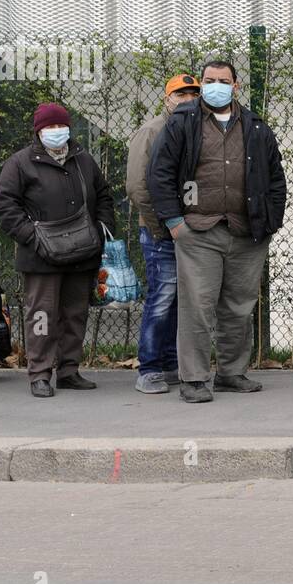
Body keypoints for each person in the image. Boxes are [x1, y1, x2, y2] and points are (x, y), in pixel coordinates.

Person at [146, 60, 286, 403]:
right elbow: (159, 174)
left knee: (239, 306)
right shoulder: (183, 121)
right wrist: (175, 222)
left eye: (224, 80)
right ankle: (193, 379)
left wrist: (271, 223)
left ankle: (231, 372)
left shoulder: (255, 126)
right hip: (197, 231)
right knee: (197, 307)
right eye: (210, 80)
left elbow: (275, 178)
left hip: (246, 231)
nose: (216, 85)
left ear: (236, 86)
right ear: (202, 83)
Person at [0, 103, 115, 397]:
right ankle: (40, 373)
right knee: (42, 316)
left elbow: (104, 196)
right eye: (50, 127)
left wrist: (99, 231)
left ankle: (69, 370)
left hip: (82, 253)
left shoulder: (83, 160)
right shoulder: (20, 163)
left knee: (75, 313)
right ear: (38, 131)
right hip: (40, 257)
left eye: (61, 126)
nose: (57, 132)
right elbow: (5, 206)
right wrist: (32, 238)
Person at [126, 73, 200, 394]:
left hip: (190, 232)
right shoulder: (152, 131)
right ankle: (150, 367)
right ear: (166, 99)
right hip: (160, 232)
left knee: (179, 299)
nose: (186, 99)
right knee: (162, 297)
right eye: (180, 94)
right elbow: (137, 186)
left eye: (192, 93)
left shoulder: (199, 130)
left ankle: (170, 362)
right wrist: (161, 227)